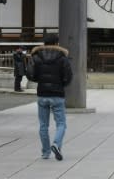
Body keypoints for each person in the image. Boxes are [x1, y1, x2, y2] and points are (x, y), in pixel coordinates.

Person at [30, 33, 73, 161]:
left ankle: (45, 152)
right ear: (56, 43)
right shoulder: (62, 58)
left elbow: (30, 74)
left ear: (44, 43)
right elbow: (68, 76)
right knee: (61, 124)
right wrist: (61, 84)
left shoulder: (36, 57)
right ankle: (56, 144)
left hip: (42, 94)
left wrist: (40, 80)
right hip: (57, 95)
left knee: (43, 125)